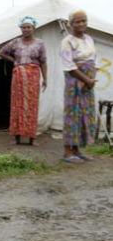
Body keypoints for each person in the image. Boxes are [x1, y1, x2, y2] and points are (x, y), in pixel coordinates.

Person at [0, 16, 47, 146]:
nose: (26, 29)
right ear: (21, 28)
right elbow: (2, 53)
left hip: (33, 76)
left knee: (32, 106)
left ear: (34, 28)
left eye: (29, 27)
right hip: (19, 76)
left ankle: (32, 139)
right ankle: (17, 138)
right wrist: (14, 61)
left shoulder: (40, 43)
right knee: (17, 105)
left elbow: (43, 62)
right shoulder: (15, 42)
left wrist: (45, 78)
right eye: (24, 27)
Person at [60, 10, 97, 163]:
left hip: (88, 81)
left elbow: (94, 60)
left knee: (84, 115)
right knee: (72, 114)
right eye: (77, 21)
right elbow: (69, 66)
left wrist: (92, 79)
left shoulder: (89, 39)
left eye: (84, 20)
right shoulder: (67, 41)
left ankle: (78, 150)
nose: (81, 24)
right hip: (74, 82)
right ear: (71, 24)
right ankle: (68, 152)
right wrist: (85, 80)